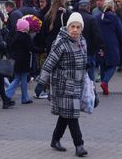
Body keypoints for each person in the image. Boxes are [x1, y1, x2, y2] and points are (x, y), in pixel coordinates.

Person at [38, 12, 88, 157]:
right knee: (72, 115)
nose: (75, 30)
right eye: (72, 26)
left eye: (78, 27)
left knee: (66, 115)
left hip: (78, 84)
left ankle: (55, 139)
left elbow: (84, 64)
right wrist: (41, 83)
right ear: (67, 27)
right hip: (63, 84)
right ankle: (79, 145)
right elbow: (49, 63)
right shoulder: (61, 43)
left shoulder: (82, 42)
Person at [97, 0, 122, 96]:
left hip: (100, 44)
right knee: (113, 65)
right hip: (112, 44)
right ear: (112, 7)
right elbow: (120, 32)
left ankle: (105, 88)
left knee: (103, 65)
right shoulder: (115, 18)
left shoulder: (97, 17)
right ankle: (105, 82)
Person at [5, 18, 34, 104]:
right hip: (24, 61)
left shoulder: (16, 36)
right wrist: (41, 49)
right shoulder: (26, 37)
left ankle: (22, 97)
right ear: (25, 28)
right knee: (21, 79)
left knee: (18, 78)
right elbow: (30, 48)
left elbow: (11, 46)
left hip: (16, 60)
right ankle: (8, 95)